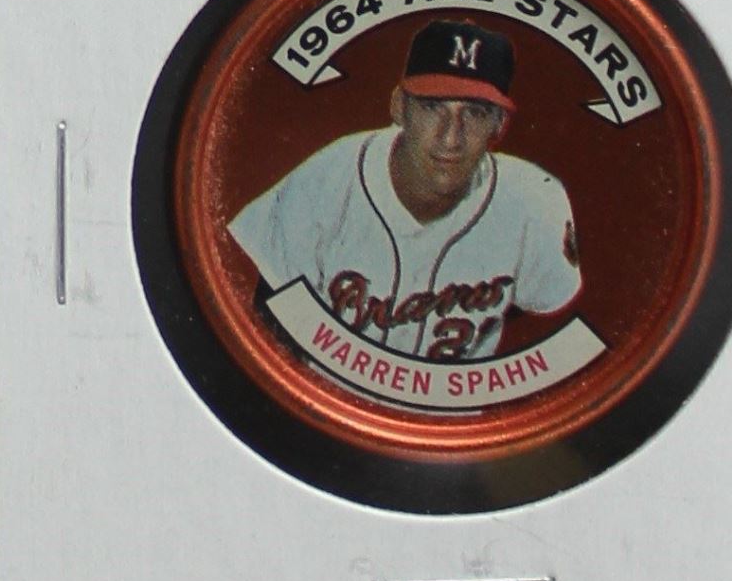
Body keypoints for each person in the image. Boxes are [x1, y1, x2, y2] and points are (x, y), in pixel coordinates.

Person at [228, 19, 582, 360]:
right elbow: (271, 332)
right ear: (399, 106)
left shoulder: (534, 200)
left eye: (474, 113)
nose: (450, 137)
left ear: (499, 124)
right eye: (432, 108)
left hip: (455, 402)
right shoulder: (326, 180)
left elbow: (546, 324)